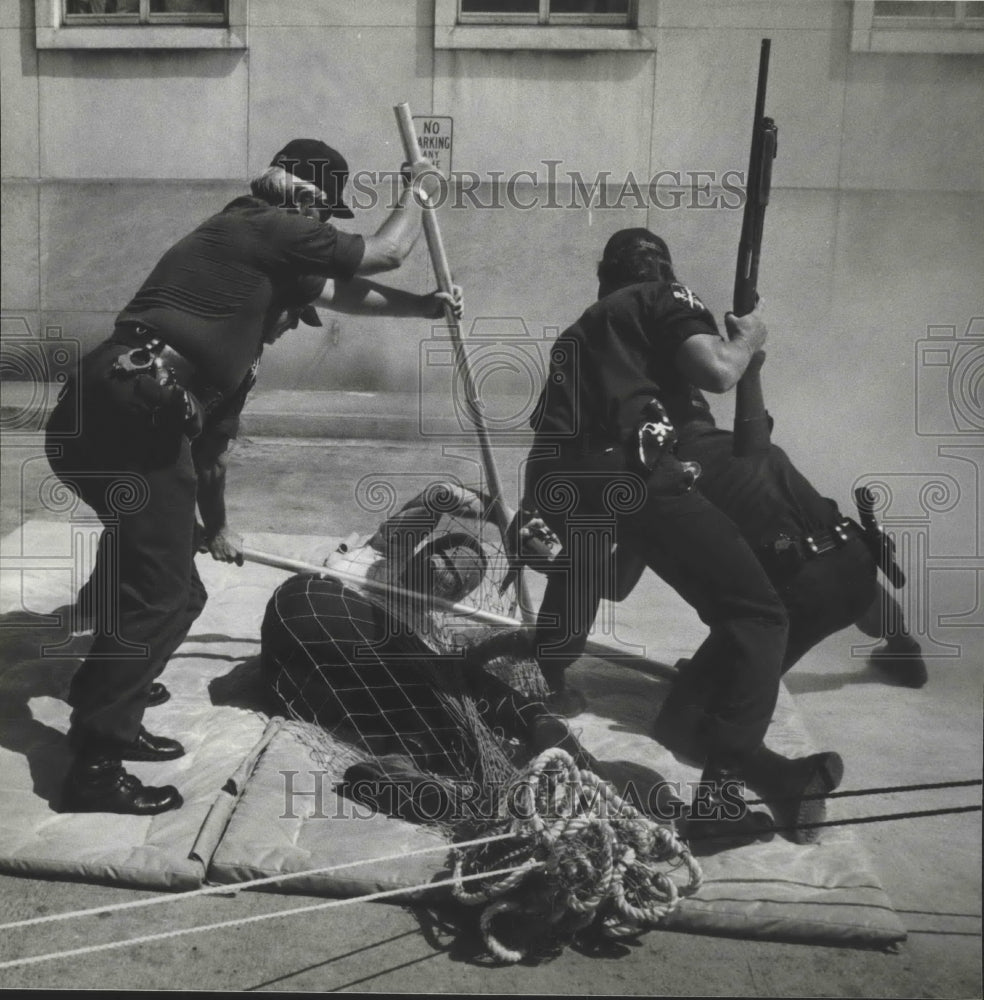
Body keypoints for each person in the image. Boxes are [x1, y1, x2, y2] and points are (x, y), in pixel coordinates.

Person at [44, 137, 460, 816]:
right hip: (137, 403)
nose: (294, 322)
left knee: (172, 587)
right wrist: (420, 190)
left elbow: (210, 457)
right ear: (314, 199)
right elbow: (381, 255)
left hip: (105, 411)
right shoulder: (266, 222)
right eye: (293, 314)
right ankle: (94, 759)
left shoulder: (239, 297)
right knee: (160, 593)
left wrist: (219, 525)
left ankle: (115, 687)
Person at [521, 227, 844, 849]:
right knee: (757, 615)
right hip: (634, 470)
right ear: (660, 271)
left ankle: (549, 681)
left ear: (602, 277)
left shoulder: (580, 332)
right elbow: (717, 371)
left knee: (585, 560)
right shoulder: (661, 297)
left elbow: (552, 449)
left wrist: (540, 520)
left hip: (565, 475)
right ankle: (719, 802)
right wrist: (747, 341)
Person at [260, 485, 599, 823]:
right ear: (424, 553)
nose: (448, 575)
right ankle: (531, 722)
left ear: (458, 594)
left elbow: (473, 659)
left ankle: (403, 761)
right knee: (451, 687)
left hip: (303, 682)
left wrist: (517, 642)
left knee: (428, 692)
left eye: (460, 578)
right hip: (315, 608)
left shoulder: (429, 626)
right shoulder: (384, 555)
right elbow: (442, 494)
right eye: (446, 562)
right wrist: (512, 520)